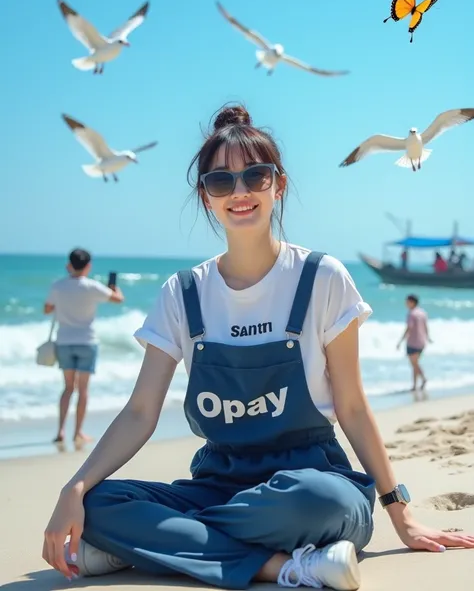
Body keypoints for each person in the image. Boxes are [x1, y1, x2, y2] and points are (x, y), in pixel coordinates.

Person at [42, 106, 474, 590]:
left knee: (319, 502)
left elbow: (352, 406)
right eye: (221, 181)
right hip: (219, 485)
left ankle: (165, 544)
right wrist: (75, 485)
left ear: (278, 185)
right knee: (98, 505)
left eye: (255, 176)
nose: (240, 191)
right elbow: (141, 412)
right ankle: (280, 566)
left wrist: (401, 513)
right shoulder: (183, 294)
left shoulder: (322, 278)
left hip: (311, 484)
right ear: (206, 196)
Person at [44, 248, 124, 443]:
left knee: (68, 388)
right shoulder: (92, 286)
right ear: (88, 266)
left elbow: (47, 309)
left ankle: (60, 431)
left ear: (69, 264)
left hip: (64, 342)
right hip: (87, 342)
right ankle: (78, 431)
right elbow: (118, 300)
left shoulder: (58, 286)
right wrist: (115, 287)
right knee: (83, 390)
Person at [396, 294, 431, 392]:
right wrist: (428, 337)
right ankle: (415, 385)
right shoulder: (423, 313)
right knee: (415, 363)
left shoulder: (411, 314)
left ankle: (423, 379)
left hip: (412, 342)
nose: (406, 304)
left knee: (414, 364)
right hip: (421, 342)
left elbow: (409, 328)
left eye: (407, 301)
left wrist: (400, 341)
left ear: (412, 302)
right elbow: (426, 327)